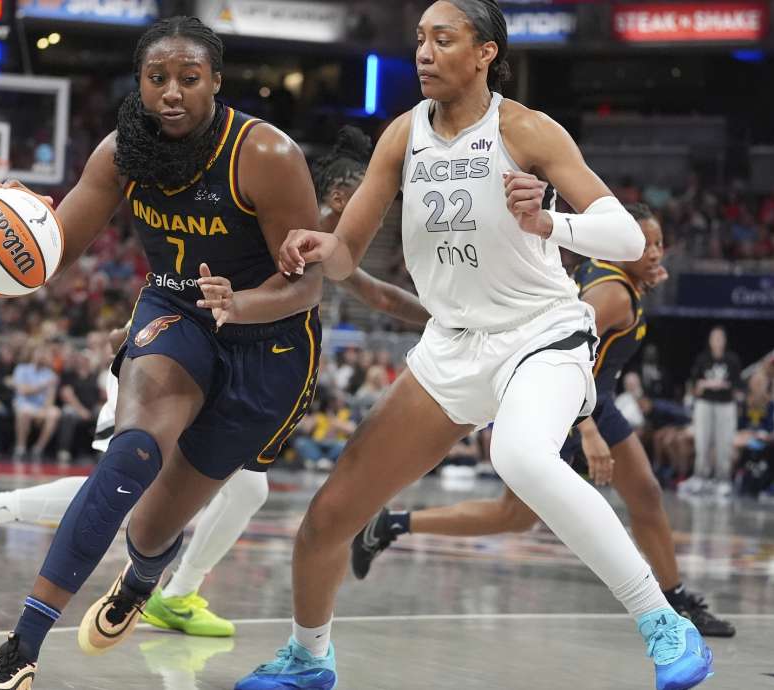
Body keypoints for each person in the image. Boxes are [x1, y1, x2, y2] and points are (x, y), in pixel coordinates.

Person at [238, 2, 713, 689]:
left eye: (443, 39)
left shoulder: (525, 129)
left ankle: (663, 621)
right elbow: (347, 255)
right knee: (327, 519)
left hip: (540, 334)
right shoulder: (402, 135)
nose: (424, 52)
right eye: (420, 40)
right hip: (452, 347)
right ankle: (309, 658)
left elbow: (628, 239)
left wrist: (549, 221)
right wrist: (324, 247)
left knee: (518, 454)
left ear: (486, 52)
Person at [0, 126, 430, 647]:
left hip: (238, 366)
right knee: (124, 484)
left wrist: (448, 316)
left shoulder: (320, 239)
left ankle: (175, 592)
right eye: (378, 197)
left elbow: (379, 294)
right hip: (168, 349)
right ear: (346, 196)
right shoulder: (294, 222)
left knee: (245, 488)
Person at [0, 17, 332, 689]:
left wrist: (243, 304)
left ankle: (143, 580)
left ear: (216, 82)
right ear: (140, 82)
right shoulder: (119, 153)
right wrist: (15, 236)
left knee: (154, 532)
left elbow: (308, 282)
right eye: (157, 78)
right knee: (133, 450)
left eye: (189, 79)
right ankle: (22, 646)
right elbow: (52, 256)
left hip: (270, 343)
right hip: (175, 310)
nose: (172, 93)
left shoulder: (265, 154)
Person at [350, 204, 736, 639]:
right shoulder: (611, 294)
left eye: (660, 244)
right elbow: (570, 345)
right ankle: (389, 524)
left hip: (595, 400)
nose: (655, 253)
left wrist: (640, 274)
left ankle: (676, 598)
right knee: (516, 516)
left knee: (639, 494)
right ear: (619, 247)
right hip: (567, 397)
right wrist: (586, 428)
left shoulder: (614, 276)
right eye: (644, 244)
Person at [681, 326, 743, 497]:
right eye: (714, 338)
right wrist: (704, 385)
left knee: (724, 442)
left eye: (720, 338)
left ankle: (723, 479)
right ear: (710, 340)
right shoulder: (703, 359)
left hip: (725, 405)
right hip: (705, 404)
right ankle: (700, 476)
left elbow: (737, 387)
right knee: (702, 440)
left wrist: (724, 386)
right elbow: (695, 386)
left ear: (724, 341)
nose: (717, 341)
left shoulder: (732, 360)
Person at [11, 343, 60, 461]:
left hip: (40, 408)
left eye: (44, 354)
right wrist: (43, 385)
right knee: (24, 412)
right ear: (33, 354)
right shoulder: (21, 369)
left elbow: (50, 398)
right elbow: (23, 391)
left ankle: (38, 449)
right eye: (39, 353)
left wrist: (44, 411)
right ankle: (20, 448)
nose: (41, 357)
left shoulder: (51, 374)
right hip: (24, 405)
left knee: (55, 413)